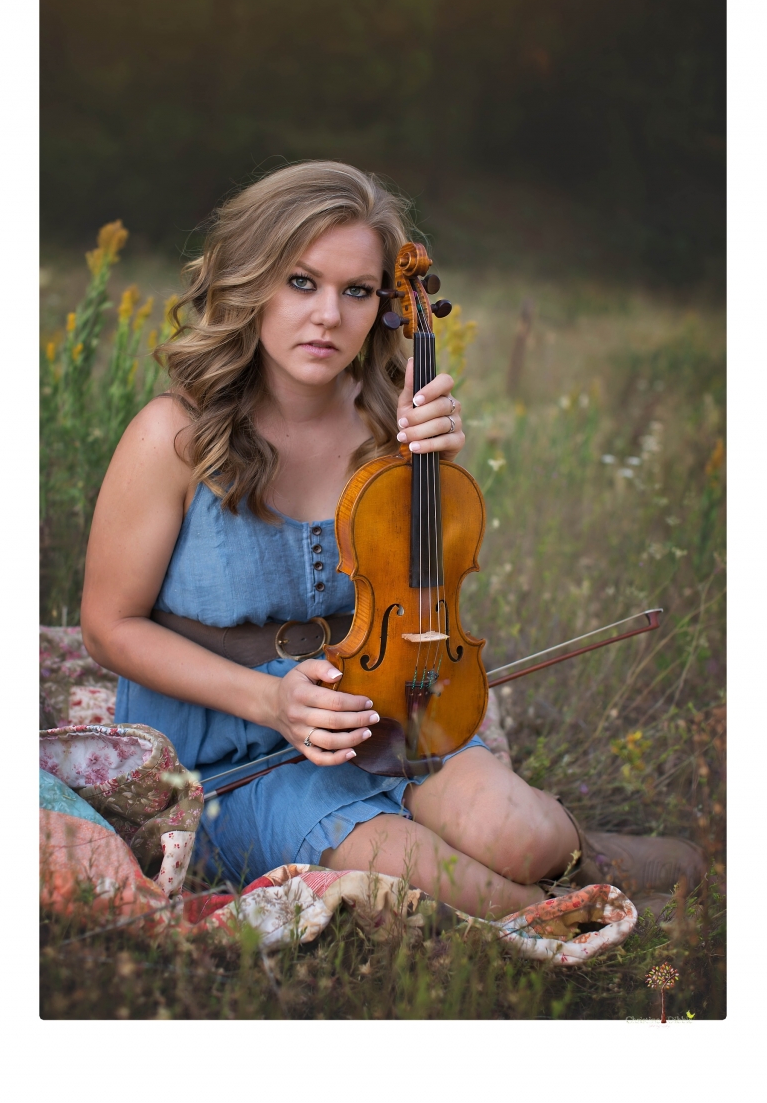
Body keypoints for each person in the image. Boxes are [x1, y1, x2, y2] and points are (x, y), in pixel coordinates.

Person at [81, 160, 703, 919]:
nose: (327, 317)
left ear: (385, 304)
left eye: (356, 291)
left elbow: (418, 593)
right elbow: (109, 629)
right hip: (232, 754)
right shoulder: (172, 435)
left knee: (526, 836)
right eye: (301, 282)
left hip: (383, 713)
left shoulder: (392, 425)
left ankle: (580, 851)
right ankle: (596, 905)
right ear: (251, 282)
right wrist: (272, 701)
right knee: (477, 894)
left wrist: (433, 472)